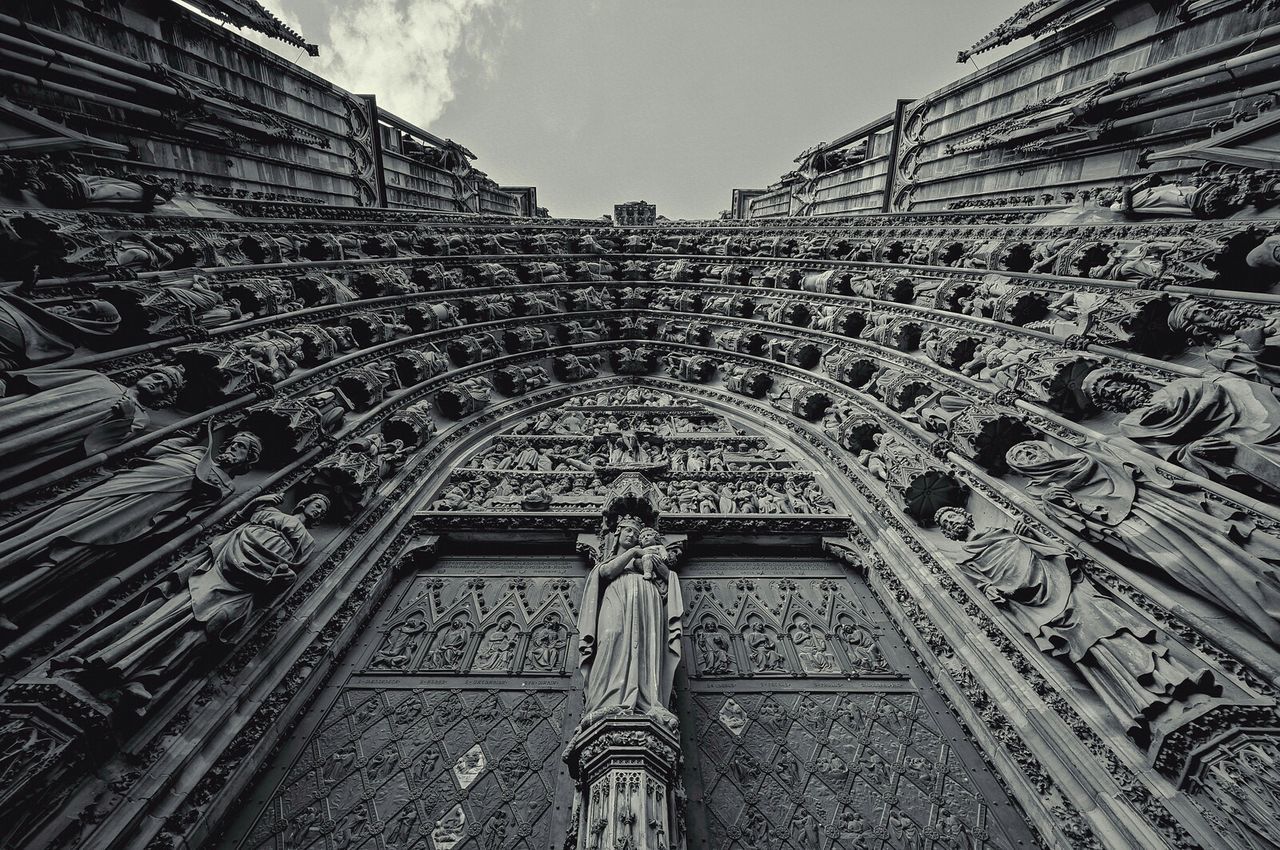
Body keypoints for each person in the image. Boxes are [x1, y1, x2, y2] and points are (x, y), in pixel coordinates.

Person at [577, 517, 683, 720]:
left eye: (636, 534)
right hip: (616, 595)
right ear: (617, 534)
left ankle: (649, 699)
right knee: (611, 636)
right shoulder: (614, 560)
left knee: (646, 643)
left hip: (646, 597)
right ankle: (605, 701)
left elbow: (666, 575)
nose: (632, 536)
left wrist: (657, 564)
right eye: (628, 532)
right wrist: (634, 552)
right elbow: (607, 572)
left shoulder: (647, 554)